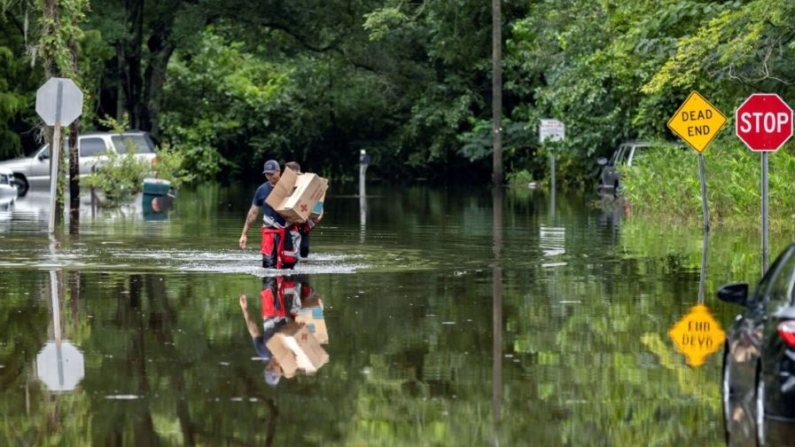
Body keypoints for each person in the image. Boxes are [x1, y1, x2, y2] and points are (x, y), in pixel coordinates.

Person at [239, 275, 303, 386]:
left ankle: (272, 261)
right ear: (280, 371)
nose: (271, 367)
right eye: (273, 370)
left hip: (270, 312)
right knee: (291, 276)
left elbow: (254, 331)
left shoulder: (263, 352)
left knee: (270, 277)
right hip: (289, 311)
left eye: (268, 369)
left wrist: (245, 309)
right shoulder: (290, 356)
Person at [239, 159, 298, 269]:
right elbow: (253, 213)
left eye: (272, 173)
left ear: (279, 171)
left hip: (286, 232)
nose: (270, 177)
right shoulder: (261, 190)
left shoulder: (290, 187)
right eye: (267, 174)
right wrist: (244, 234)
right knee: (268, 267)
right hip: (269, 232)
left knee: (288, 265)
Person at [284, 161, 323, 258]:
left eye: (290, 173)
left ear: (298, 172)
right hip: (289, 223)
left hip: (304, 224)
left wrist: (319, 216)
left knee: (304, 251)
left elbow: (318, 203)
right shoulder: (283, 187)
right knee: (288, 251)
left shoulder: (307, 185)